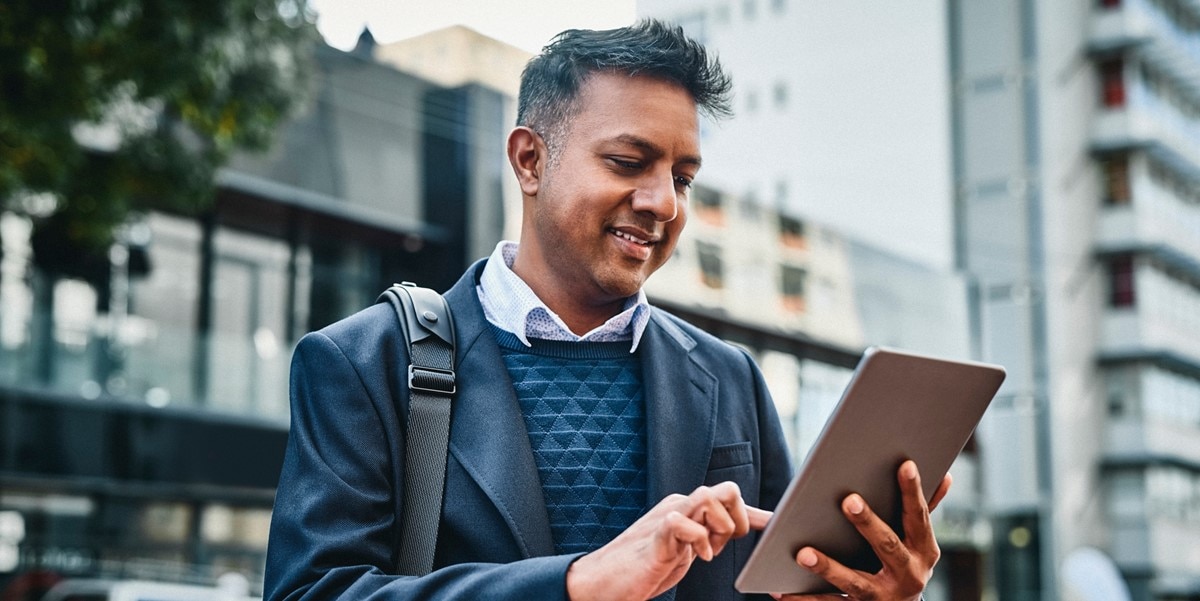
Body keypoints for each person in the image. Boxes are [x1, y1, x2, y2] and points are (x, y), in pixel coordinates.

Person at [264, 19, 950, 601]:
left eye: (682, 177)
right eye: (629, 162)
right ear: (529, 160)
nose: (664, 203)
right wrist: (578, 582)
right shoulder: (362, 363)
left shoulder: (730, 377)